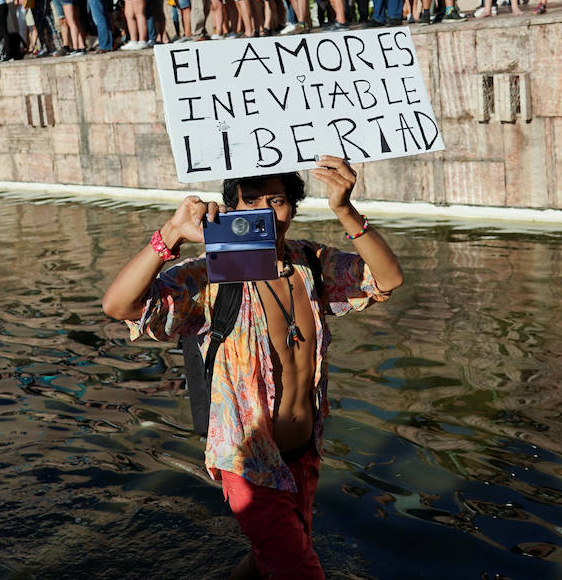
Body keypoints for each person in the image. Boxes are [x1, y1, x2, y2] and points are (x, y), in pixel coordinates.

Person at [101, 158, 404, 580]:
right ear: (232, 211)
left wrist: (345, 209)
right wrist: (171, 233)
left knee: (272, 559)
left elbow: (386, 279)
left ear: (293, 208)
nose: (264, 210)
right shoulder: (212, 277)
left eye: (276, 199)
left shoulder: (309, 263)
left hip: (303, 453)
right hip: (247, 462)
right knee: (300, 570)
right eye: (252, 200)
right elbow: (120, 306)